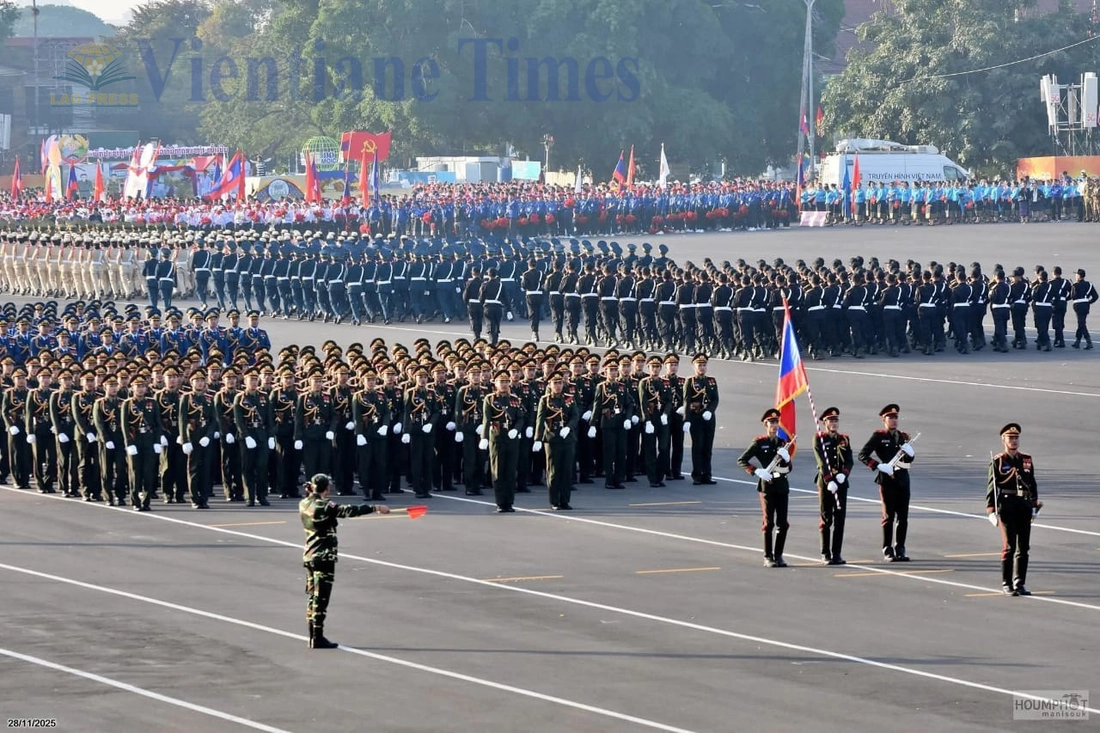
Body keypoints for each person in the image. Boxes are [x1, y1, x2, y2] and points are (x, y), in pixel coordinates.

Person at [299, 473, 389, 649]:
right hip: (323, 556)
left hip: (309, 554)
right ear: (327, 488)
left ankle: (312, 634)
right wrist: (375, 507)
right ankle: (318, 636)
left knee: (312, 597)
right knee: (321, 598)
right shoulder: (324, 506)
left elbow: (314, 499)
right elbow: (349, 510)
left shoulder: (304, 503)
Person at [986, 423, 1040, 596]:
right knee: (1009, 546)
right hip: (1007, 505)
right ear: (1004, 440)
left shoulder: (1026, 459)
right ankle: (1007, 582)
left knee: (1024, 547)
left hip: (1023, 505)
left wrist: (1034, 505)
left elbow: (1032, 483)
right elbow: (991, 487)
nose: (1014, 441)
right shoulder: (998, 461)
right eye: (1010, 438)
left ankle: (1019, 582)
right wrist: (991, 511)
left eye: (1016, 438)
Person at [858, 403, 916, 562]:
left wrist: (911, 454)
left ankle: (900, 548)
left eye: (896, 417)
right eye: (890, 418)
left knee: (903, 517)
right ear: (884, 420)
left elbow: (907, 461)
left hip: (903, 480)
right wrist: (878, 466)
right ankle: (887, 549)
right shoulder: (878, 436)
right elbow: (862, 455)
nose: (894, 420)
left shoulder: (902, 436)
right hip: (887, 481)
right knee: (889, 516)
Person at [737, 408, 792, 567]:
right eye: (771, 423)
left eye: (776, 422)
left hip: (782, 486)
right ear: (765, 425)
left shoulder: (782, 443)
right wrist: (757, 471)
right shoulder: (759, 443)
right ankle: (768, 556)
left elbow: (788, 469)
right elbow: (742, 460)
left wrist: (787, 459)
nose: (774, 425)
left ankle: (779, 555)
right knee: (769, 523)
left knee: (783, 523)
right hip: (767, 487)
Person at [813, 406, 854, 565]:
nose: (834, 423)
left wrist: (844, 473)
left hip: (841, 483)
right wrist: (829, 479)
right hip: (826, 483)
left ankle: (837, 553)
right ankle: (825, 553)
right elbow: (821, 460)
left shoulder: (844, 439)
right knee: (826, 518)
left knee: (840, 518)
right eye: (831, 420)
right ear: (825, 422)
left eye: (836, 420)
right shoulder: (819, 438)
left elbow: (849, 459)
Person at [534, 372, 578, 510]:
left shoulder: (569, 399)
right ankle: (554, 501)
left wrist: (569, 428)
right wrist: (538, 438)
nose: (558, 386)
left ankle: (565, 500)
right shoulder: (545, 400)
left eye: (560, 383)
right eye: (555, 383)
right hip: (552, 438)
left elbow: (575, 416)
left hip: (567, 438)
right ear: (550, 385)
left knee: (566, 471)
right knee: (553, 471)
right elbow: (540, 419)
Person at [684, 353, 718, 484]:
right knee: (698, 446)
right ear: (694, 366)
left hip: (709, 418)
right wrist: (686, 420)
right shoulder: (690, 381)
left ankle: (707, 474)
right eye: (699, 365)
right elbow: (687, 401)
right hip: (696, 417)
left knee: (707, 447)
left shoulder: (711, 381)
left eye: (704, 365)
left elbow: (715, 399)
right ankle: (697, 475)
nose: (702, 367)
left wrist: (710, 411)